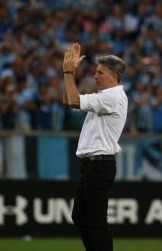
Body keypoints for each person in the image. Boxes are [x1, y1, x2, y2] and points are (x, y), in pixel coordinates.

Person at [62, 43, 128, 251]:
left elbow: (72, 99)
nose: (95, 76)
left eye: (100, 72)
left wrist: (68, 71)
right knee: (80, 216)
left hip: (100, 163)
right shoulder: (106, 97)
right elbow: (68, 98)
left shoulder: (113, 96)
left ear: (114, 75)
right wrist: (67, 73)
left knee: (96, 220)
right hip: (93, 164)